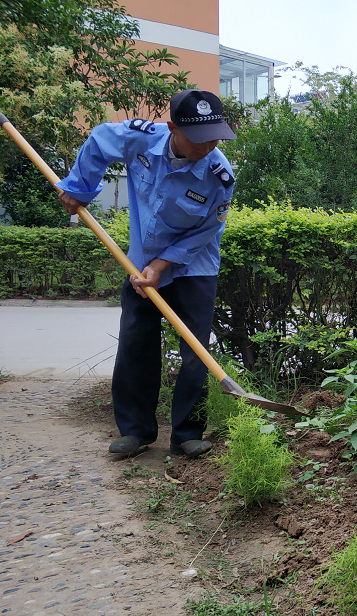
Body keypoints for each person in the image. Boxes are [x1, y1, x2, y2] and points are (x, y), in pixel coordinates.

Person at [57, 89, 237, 458]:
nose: (210, 146)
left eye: (215, 136)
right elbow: (98, 140)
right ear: (172, 128)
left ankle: (187, 435)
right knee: (135, 343)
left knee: (195, 351)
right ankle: (135, 432)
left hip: (193, 268)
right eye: (200, 138)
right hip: (139, 264)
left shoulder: (218, 175)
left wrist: (162, 265)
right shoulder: (139, 139)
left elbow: (207, 230)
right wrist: (79, 188)